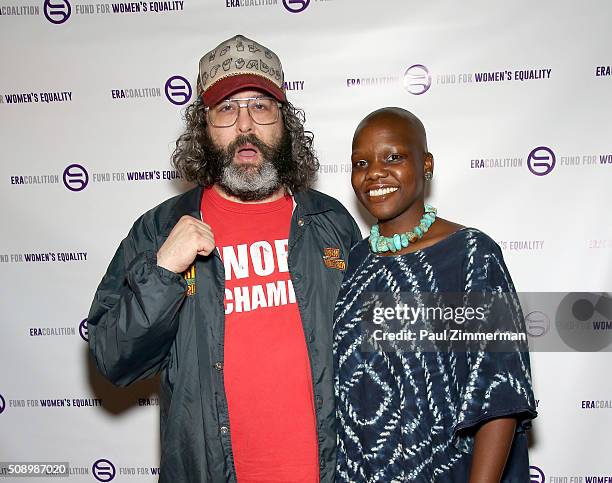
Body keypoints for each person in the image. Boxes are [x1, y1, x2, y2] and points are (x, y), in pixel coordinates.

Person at [87, 34, 361, 482]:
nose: (245, 125)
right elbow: (112, 358)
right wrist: (162, 272)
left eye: (261, 106)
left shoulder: (330, 221)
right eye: (227, 109)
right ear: (204, 128)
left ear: (284, 123)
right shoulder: (159, 229)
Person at [333, 107, 537, 482]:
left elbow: (500, 392)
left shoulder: (470, 254)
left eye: (394, 156)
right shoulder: (357, 260)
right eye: (361, 162)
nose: (375, 172)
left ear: (426, 164)